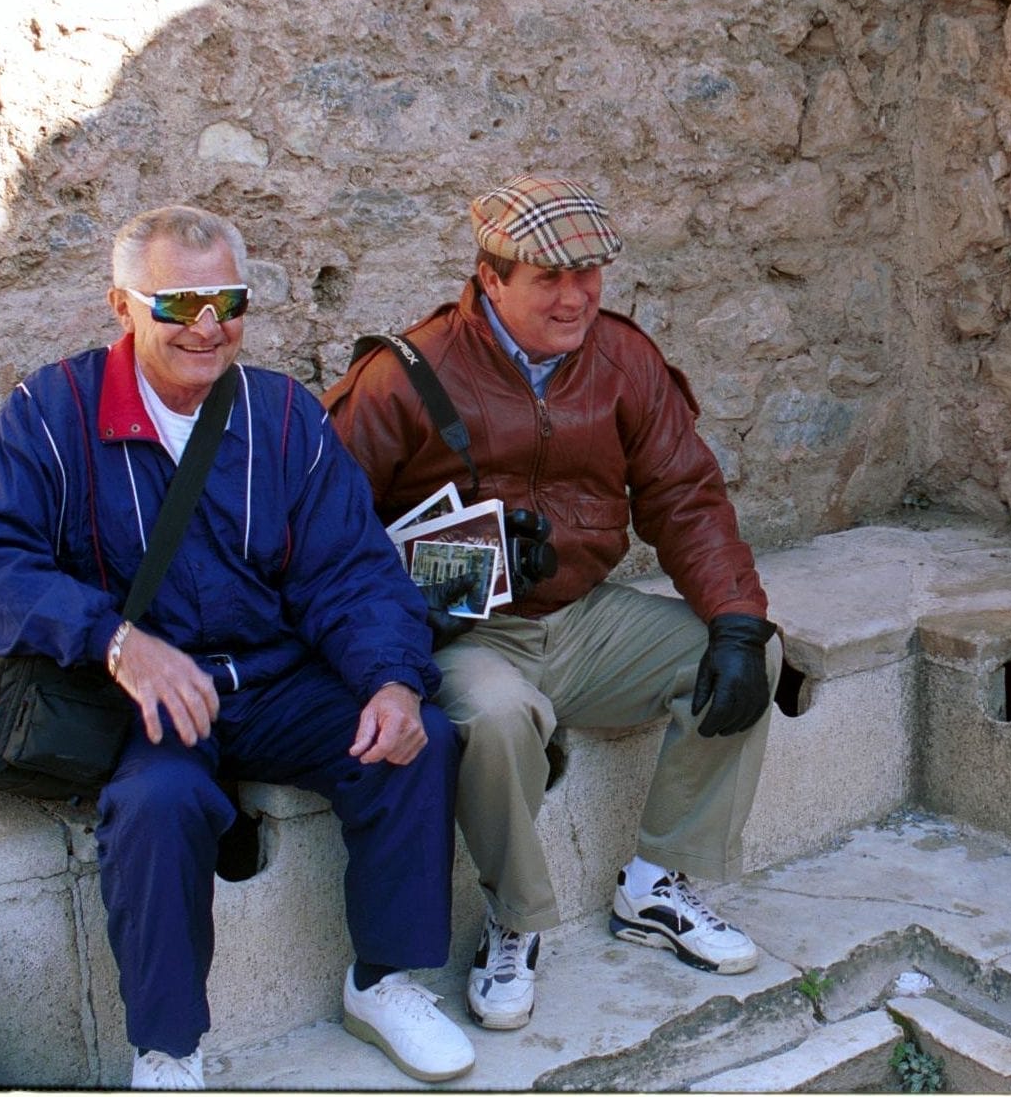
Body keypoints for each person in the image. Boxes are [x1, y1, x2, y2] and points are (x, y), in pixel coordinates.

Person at [0, 206, 476, 1090]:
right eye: (177, 302)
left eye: (226, 300)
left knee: (416, 741)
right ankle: (168, 1047)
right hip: (147, 696)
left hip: (269, 679)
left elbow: (351, 569)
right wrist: (112, 640)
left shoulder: (282, 415)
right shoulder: (51, 413)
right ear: (122, 306)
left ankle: (384, 982)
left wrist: (391, 678)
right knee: (157, 806)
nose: (206, 325)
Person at [323, 174, 781, 1034]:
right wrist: (463, 566)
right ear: (492, 278)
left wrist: (736, 617)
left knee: (750, 654)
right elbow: (326, 546)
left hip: (585, 617)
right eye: (549, 279)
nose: (576, 298)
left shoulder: (623, 359)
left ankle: (657, 885)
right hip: (465, 637)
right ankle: (516, 922)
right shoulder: (400, 377)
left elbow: (685, 494)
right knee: (494, 718)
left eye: (590, 274)